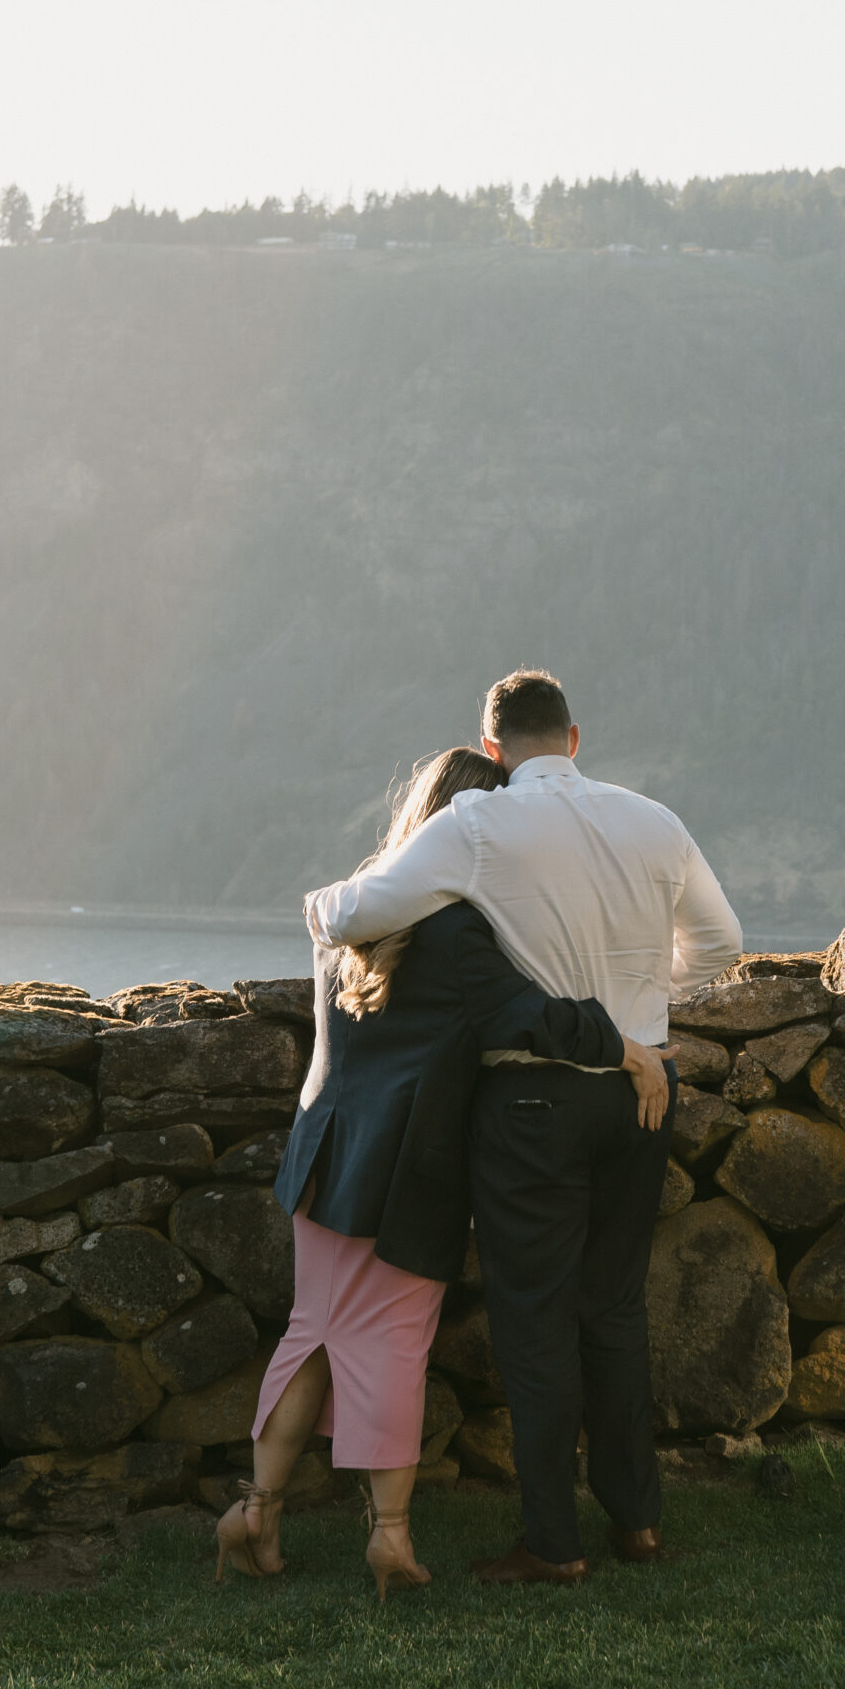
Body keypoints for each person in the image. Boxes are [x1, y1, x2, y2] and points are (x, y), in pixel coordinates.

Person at [305, 669, 741, 1586]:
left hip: (534, 1101)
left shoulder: (475, 824)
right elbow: (720, 945)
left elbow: (357, 914)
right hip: (643, 1092)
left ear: (493, 749)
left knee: (534, 1322)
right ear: (574, 739)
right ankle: (637, 1523)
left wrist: (319, 907)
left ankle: (552, 1542)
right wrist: (642, 1019)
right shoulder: (654, 819)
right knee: (614, 1309)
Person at [217, 743, 668, 1600]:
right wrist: (629, 1051)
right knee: (390, 1341)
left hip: (323, 1156)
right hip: (402, 1174)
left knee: (312, 1332)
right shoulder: (459, 929)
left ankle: (256, 1508)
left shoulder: (357, 908)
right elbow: (529, 1015)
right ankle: (388, 1536)